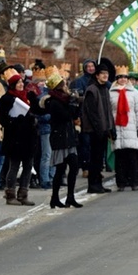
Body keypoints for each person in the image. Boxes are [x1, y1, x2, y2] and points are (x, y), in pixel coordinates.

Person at [44, 73, 83, 208]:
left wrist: (76, 104)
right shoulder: (54, 101)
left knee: (73, 167)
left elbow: (74, 115)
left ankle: (70, 197)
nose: (66, 86)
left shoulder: (65, 99)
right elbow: (65, 116)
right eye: (64, 84)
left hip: (69, 137)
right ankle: (54, 198)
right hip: (59, 138)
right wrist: (72, 105)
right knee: (60, 170)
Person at [0, 73, 37, 206]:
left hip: (28, 137)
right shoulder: (7, 99)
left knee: (28, 166)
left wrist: (32, 118)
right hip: (14, 138)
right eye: (18, 83)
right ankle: (10, 194)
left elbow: (34, 111)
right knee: (14, 166)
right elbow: (2, 119)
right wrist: (16, 121)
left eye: (22, 82)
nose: (21, 85)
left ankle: (23, 194)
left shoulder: (27, 97)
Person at [110, 65, 138, 191]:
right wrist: (110, 128)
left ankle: (134, 182)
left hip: (131, 127)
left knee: (132, 157)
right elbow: (109, 112)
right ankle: (121, 183)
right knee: (119, 158)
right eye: (120, 77)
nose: (123, 79)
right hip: (117, 127)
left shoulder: (134, 92)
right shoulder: (111, 92)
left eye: (125, 77)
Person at [81, 63, 115, 193]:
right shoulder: (91, 90)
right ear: (97, 76)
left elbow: (108, 111)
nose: (105, 76)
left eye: (107, 74)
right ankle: (93, 184)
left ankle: (98, 183)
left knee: (100, 159)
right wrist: (99, 129)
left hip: (104, 129)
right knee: (94, 158)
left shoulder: (105, 89)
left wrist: (110, 128)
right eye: (103, 74)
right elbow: (92, 112)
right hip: (95, 131)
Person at [70, 59, 97, 179]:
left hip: (95, 116)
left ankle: (95, 168)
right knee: (84, 143)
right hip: (83, 116)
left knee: (94, 144)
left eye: (93, 66)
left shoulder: (97, 80)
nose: (91, 68)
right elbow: (77, 97)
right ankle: (85, 167)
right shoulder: (80, 81)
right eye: (89, 66)